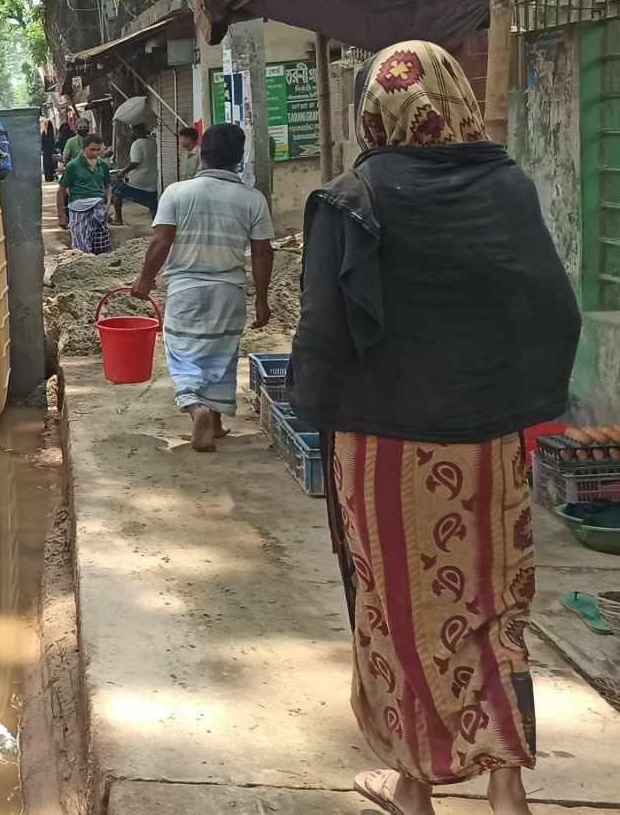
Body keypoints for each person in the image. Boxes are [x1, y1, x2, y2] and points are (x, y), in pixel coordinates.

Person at [289, 41, 579, 815]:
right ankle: (504, 786)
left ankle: (413, 786)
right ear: (454, 98)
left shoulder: (351, 199)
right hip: (487, 441)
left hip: (384, 446)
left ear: (371, 114)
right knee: (491, 604)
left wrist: (312, 412)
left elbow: (323, 335)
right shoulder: (506, 186)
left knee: (397, 612)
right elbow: (552, 309)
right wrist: (513, 398)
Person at [127, 124, 273, 452]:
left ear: (201, 155)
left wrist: (145, 279)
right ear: (239, 158)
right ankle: (216, 420)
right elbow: (263, 252)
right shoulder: (252, 198)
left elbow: (161, 241)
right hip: (230, 290)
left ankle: (197, 409)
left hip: (185, 290)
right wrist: (262, 299)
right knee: (221, 354)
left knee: (184, 354)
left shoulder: (176, 193)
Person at [59, 135, 112, 253]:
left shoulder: (102, 165)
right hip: (78, 208)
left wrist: (107, 204)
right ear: (84, 149)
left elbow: (108, 186)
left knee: (101, 247)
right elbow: (61, 190)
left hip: (98, 207)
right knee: (81, 246)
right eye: (92, 149)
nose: (95, 153)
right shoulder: (73, 166)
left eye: (98, 150)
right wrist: (61, 216)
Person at [111, 121, 160, 224]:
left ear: (136, 131)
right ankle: (157, 225)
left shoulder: (137, 143)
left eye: (132, 130)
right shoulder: (153, 142)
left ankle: (118, 219)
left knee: (117, 193)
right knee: (152, 203)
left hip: (138, 180)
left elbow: (135, 163)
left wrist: (122, 172)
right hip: (152, 179)